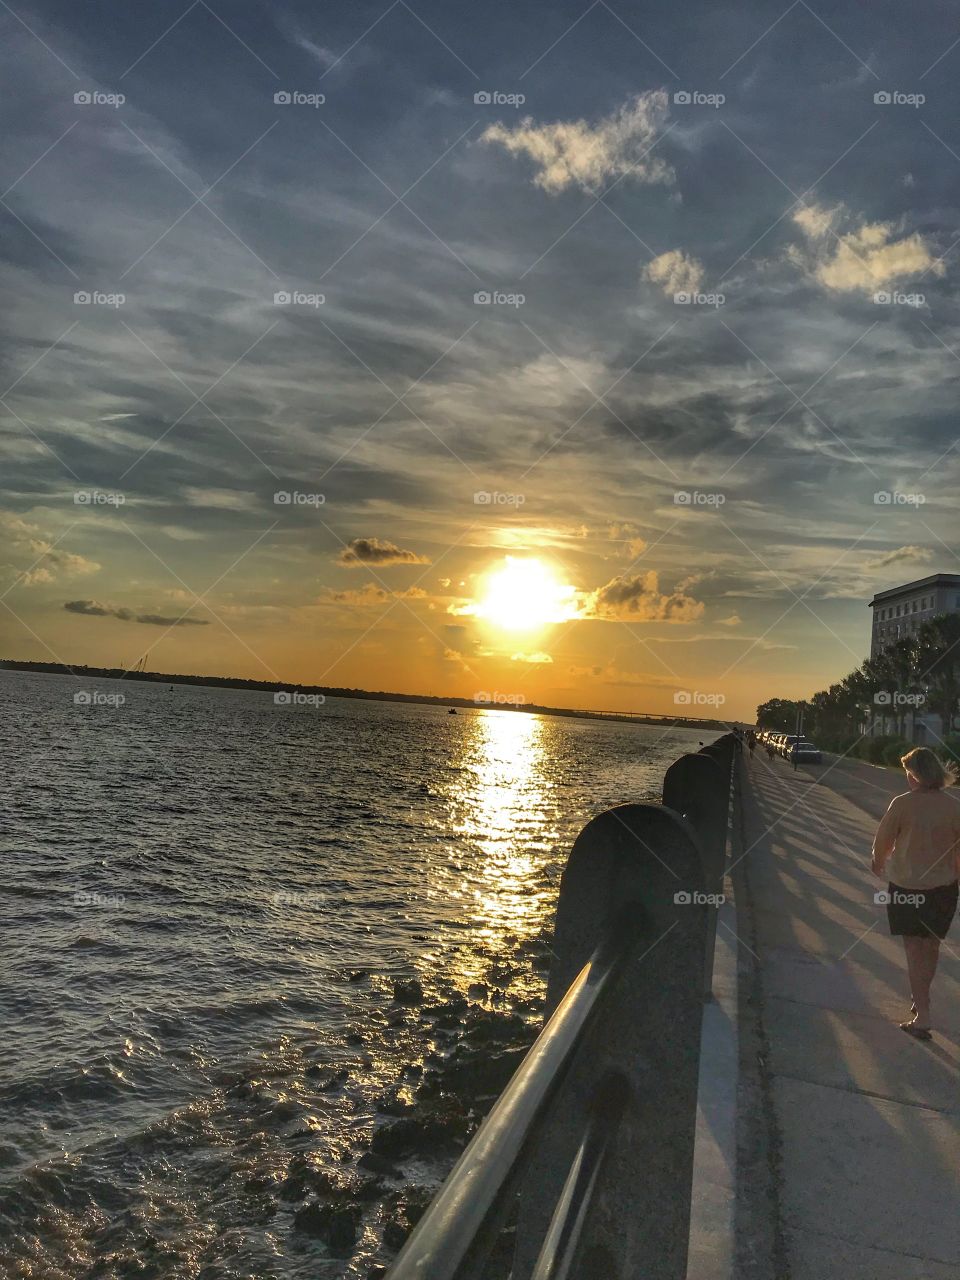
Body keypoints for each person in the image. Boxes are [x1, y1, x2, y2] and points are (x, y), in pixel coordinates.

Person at [871, 747, 960, 1040]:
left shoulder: (902, 804)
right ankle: (922, 1001)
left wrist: (878, 864)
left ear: (916, 775)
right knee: (930, 947)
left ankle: (923, 1016)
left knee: (913, 950)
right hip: (944, 889)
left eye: (908, 772)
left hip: (907, 887)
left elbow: (882, 842)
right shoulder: (953, 806)